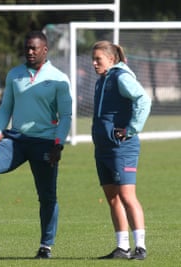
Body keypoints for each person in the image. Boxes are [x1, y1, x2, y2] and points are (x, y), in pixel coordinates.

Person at [0, 30, 72, 259]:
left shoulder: (59, 79)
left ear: (45, 50)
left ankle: (45, 247)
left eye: (34, 48)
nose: (29, 52)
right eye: (26, 48)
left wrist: (58, 144)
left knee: (47, 196)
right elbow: (5, 108)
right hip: (17, 141)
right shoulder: (14, 74)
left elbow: (67, 116)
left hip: (45, 143)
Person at [91, 41, 151, 260]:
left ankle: (141, 247)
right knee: (112, 198)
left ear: (111, 59)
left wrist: (132, 129)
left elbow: (143, 100)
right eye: (93, 58)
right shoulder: (101, 81)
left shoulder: (121, 77)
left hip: (122, 148)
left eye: (98, 58)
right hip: (103, 148)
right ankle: (122, 247)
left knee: (127, 196)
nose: (94, 63)